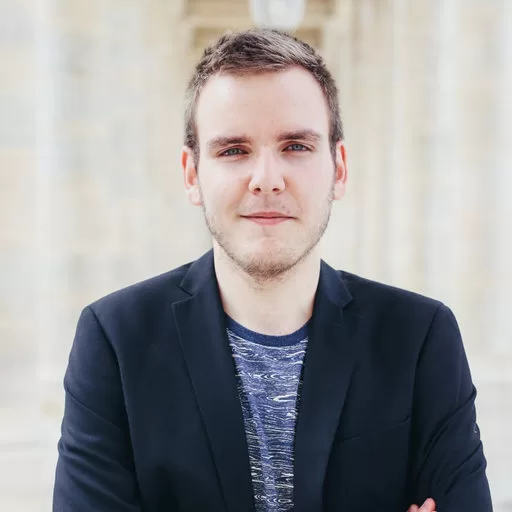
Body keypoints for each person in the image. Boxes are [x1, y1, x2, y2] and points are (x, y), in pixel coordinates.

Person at [52, 29, 492, 512]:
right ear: (192, 174)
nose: (266, 180)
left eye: (296, 146)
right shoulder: (116, 340)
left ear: (339, 167)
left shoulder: (419, 337)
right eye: (233, 150)